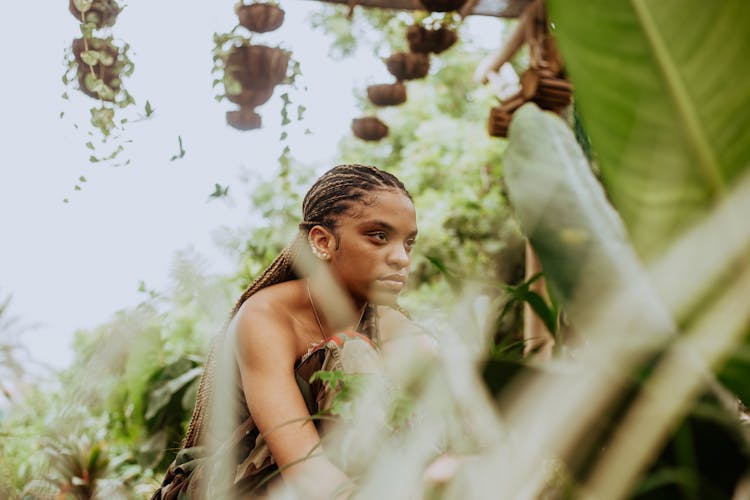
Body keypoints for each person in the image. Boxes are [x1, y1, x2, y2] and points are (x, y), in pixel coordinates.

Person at [152, 164, 418, 499]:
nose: (401, 258)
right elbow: (306, 470)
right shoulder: (267, 316)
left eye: (408, 243)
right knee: (352, 350)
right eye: (378, 236)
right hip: (228, 485)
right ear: (322, 241)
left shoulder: (393, 326)